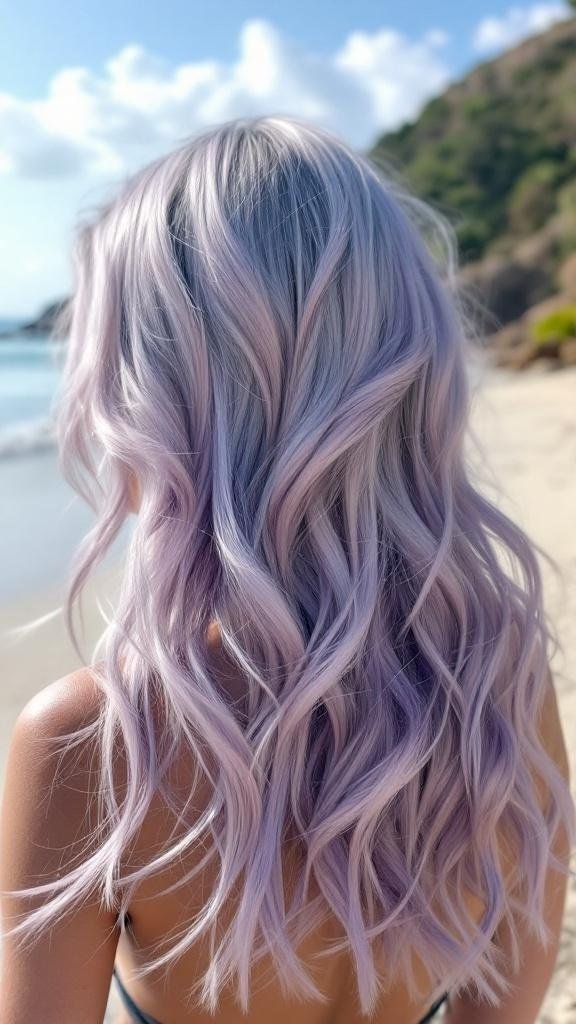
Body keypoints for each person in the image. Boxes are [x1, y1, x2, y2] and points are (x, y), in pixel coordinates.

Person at [0, 116, 573, 1024]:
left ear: (141, 398)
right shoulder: (498, 682)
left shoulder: (95, 744)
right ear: (410, 367)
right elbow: (511, 996)